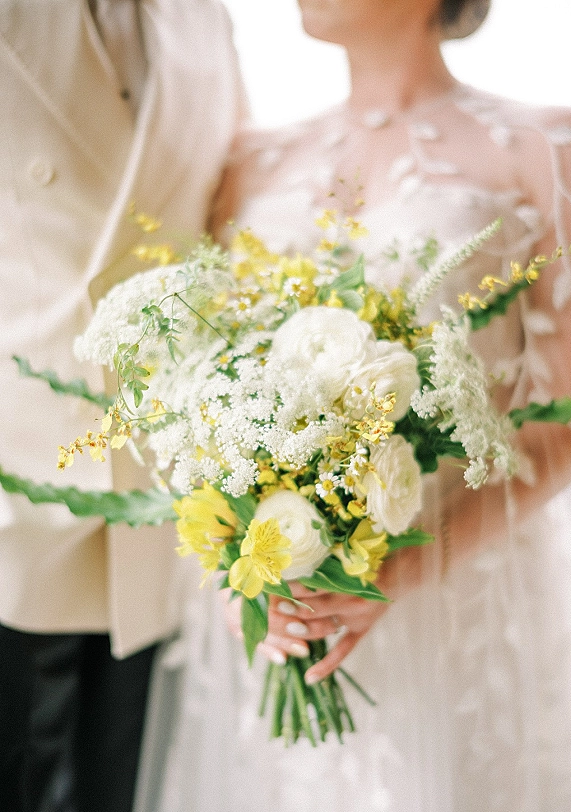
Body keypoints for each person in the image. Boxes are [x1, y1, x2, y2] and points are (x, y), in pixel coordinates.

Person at [135, 0, 571, 809]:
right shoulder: (250, 159)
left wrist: (400, 568)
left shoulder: (548, 148)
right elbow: (207, 383)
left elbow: (568, 423)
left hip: (459, 601)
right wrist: (258, 562)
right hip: (287, 612)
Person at [0, 2, 245, 811]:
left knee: (119, 779)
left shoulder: (205, 17)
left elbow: (224, 217)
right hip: (17, 470)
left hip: (160, 487)